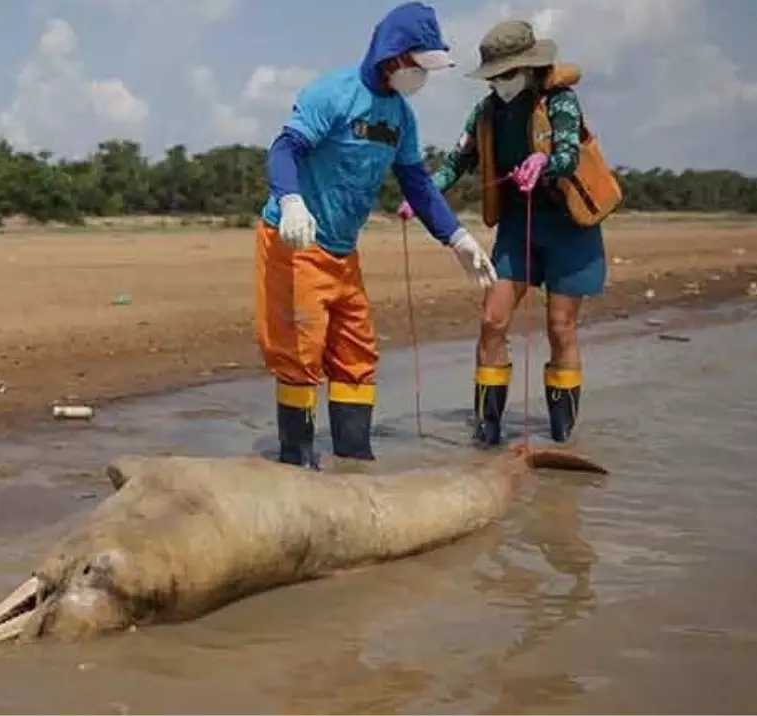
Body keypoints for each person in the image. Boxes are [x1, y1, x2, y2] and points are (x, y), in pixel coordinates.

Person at [257, 2, 498, 469]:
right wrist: (290, 200)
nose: (421, 77)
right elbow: (285, 149)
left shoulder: (401, 117)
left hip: (344, 253)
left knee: (356, 352)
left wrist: (457, 239)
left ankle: (354, 461)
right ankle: (297, 462)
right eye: (418, 65)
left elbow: (418, 184)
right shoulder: (333, 94)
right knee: (300, 353)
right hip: (297, 243)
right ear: (393, 57)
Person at [398, 20, 621, 447]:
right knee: (492, 320)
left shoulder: (560, 101)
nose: (500, 83)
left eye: (507, 74)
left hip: (569, 228)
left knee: (561, 327)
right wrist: (422, 195)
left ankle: (561, 433)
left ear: (528, 68)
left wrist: (545, 163)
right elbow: (454, 162)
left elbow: (569, 151)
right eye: (494, 76)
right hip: (518, 229)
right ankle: (489, 427)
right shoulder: (485, 113)